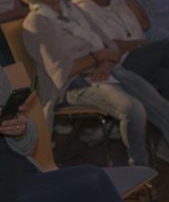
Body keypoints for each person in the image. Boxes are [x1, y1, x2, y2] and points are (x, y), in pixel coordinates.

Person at [19, 0, 169, 186]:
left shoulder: (71, 8)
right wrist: (98, 58)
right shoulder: (36, 22)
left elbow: (108, 45)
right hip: (72, 85)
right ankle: (141, 175)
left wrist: (104, 63)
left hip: (106, 70)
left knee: (162, 107)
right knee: (133, 109)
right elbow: (63, 72)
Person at [0, 69, 123, 202]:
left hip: (23, 171)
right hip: (9, 187)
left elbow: (27, 146)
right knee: (92, 180)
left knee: (92, 181)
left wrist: (19, 129)